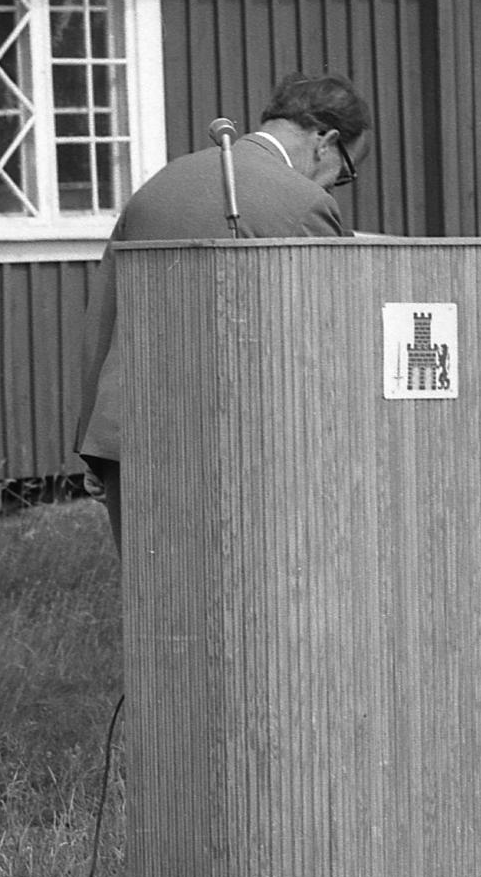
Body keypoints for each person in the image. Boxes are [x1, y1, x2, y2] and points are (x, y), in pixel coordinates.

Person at [75, 73, 373, 550]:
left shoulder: (158, 185)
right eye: (345, 171)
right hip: (244, 450)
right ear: (326, 141)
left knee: (158, 590)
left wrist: (92, 446)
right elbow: (330, 338)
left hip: (129, 439)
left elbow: (104, 318)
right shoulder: (305, 204)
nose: (336, 186)